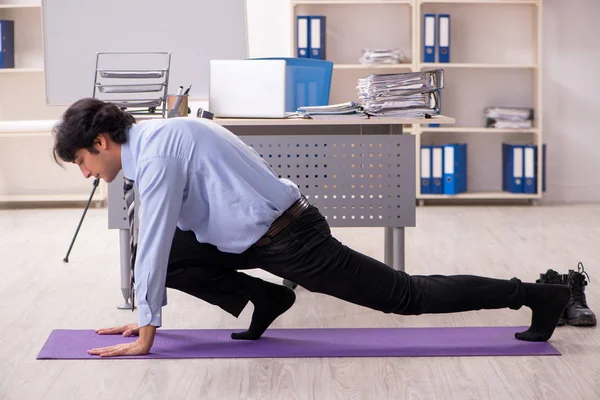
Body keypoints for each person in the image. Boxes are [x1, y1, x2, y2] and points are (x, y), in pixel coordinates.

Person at [53, 98, 570, 358]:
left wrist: (146, 332)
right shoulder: (154, 142)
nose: (85, 174)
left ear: (101, 141)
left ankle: (536, 295)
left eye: (81, 160)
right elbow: (158, 247)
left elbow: (159, 236)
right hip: (252, 235)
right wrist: (145, 307)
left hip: (294, 241)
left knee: (405, 296)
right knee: (160, 255)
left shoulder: (159, 155)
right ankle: (267, 299)